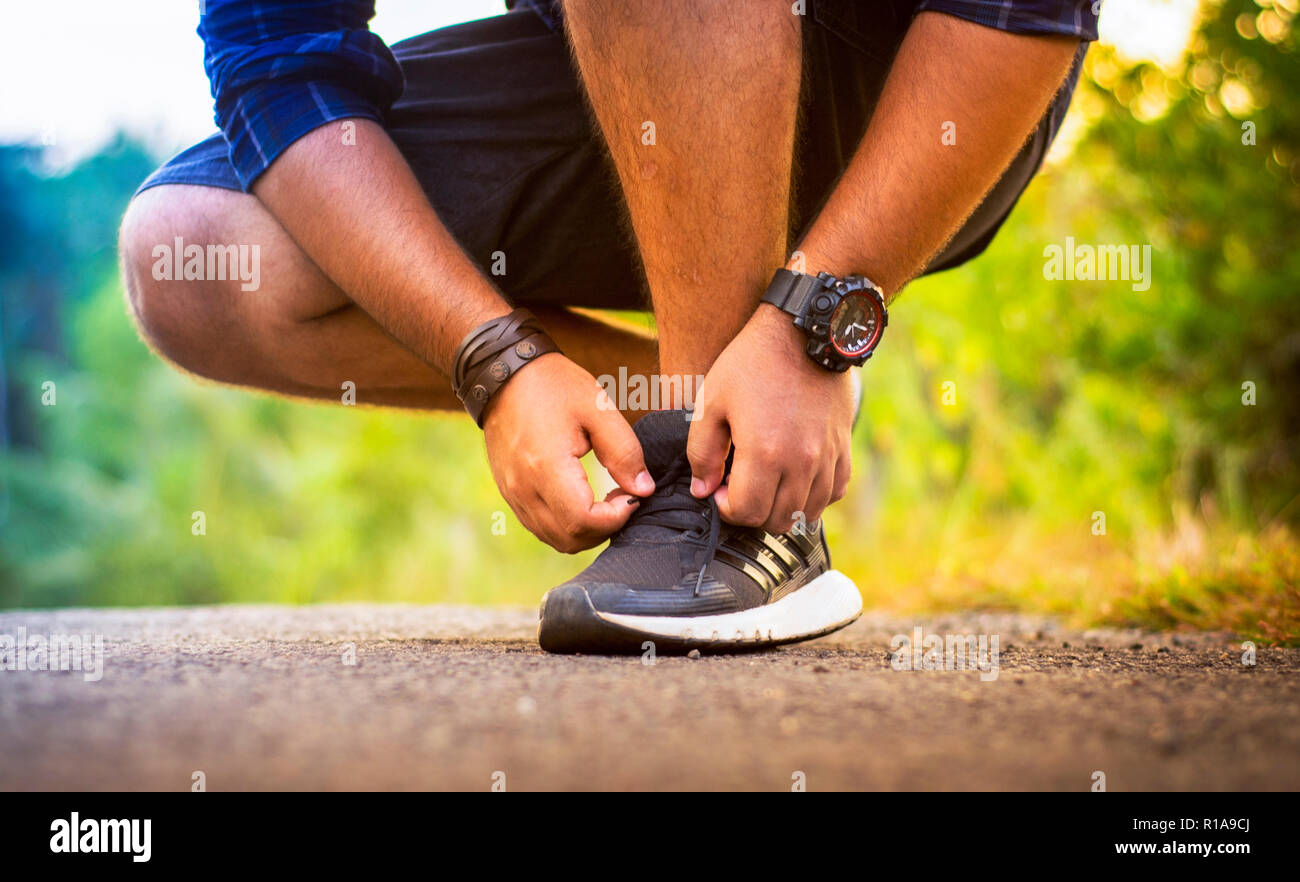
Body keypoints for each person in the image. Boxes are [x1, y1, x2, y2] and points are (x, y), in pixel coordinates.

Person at [118, 0, 1098, 653]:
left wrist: (818, 311)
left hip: (925, 87)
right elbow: (279, 70)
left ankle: (735, 514)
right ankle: (716, 430)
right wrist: (491, 357)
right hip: (630, 78)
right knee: (191, 251)